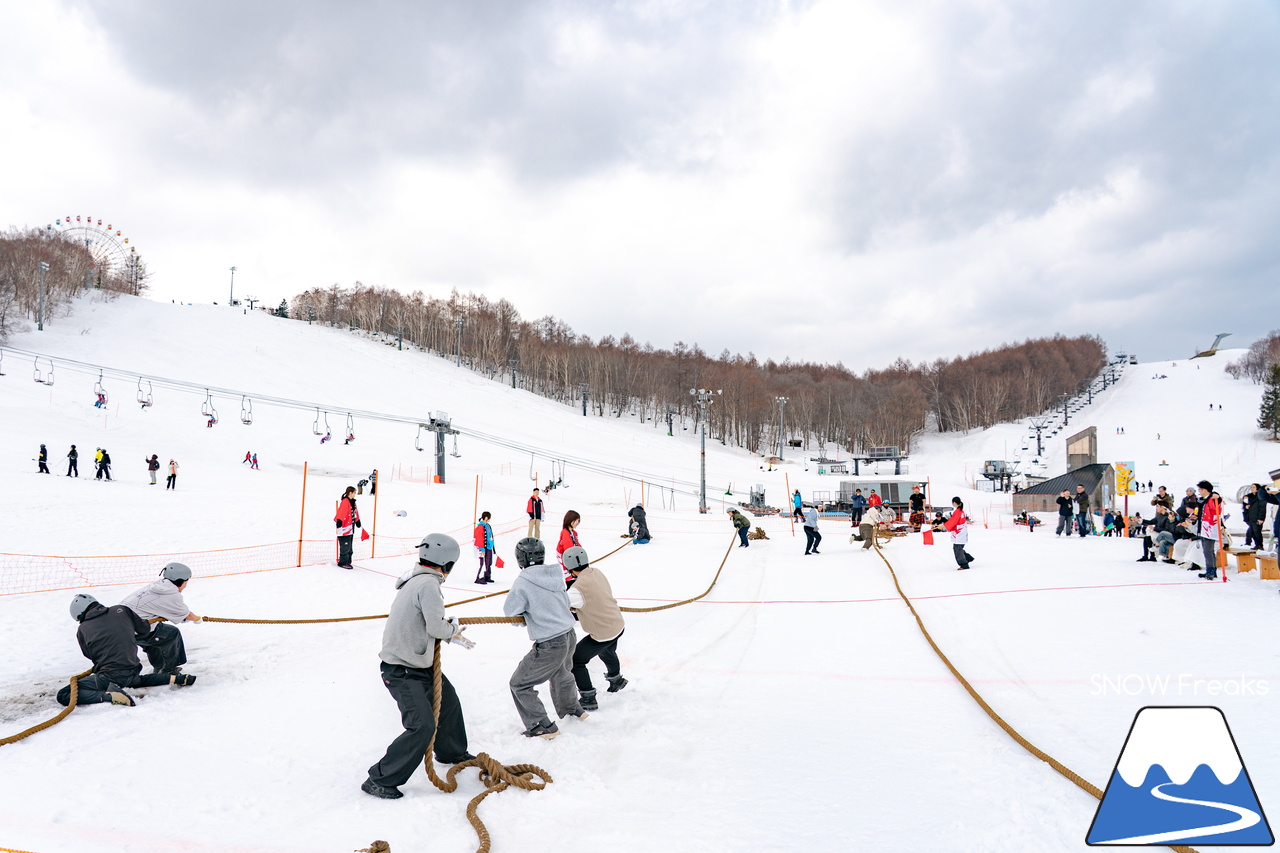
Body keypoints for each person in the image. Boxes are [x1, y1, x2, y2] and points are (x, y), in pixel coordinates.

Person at [363, 533, 472, 800]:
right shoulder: (428, 585)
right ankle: (380, 779)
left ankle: (451, 752)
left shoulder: (417, 579)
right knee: (422, 725)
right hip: (402, 670)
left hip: (418, 665)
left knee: (449, 702)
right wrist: (452, 629)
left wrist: (446, 629)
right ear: (447, 563)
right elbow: (436, 626)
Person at [504, 537, 587, 739]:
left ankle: (541, 725)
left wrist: (527, 615)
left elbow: (511, 613)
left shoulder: (523, 581)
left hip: (551, 642)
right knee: (561, 672)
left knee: (519, 683)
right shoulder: (555, 573)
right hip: (569, 635)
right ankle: (571, 709)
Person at [58, 593, 196, 708]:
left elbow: (89, 655)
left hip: (110, 675)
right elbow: (144, 630)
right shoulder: (121, 610)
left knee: (64, 694)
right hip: (133, 669)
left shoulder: (82, 629)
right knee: (137, 680)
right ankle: (178, 678)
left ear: (80, 615)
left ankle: (109, 696)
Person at [564, 546, 627, 711]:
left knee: (576, 660)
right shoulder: (597, 572)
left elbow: (561, 605)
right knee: (607, 650)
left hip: (603, 631)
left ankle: (588, 696)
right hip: (617, 624)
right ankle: (616, 679)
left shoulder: (576, 591)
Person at [119, 562, 203, 674]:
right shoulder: (171, 594)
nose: (186, 585)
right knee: (171, 633)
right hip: (133, 629)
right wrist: (197, 619)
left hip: (121, 625)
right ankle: (169, 670)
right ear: (181, 580)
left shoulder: (158, 586)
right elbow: (186, 614)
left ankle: (159, 666)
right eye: (187, 581)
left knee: (158, 632)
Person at [1183, 481, 1221, 580]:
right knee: (1207, 551)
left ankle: (1211, 572)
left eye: (1200, 489)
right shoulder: (1204, 500)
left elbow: (1216, 506)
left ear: (1204, 490)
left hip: (1209, 528)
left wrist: (1216, 496)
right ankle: (1211, 570)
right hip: (1204, 527)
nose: (1199, 492)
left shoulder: (1211, 499)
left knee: (1208, 551)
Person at [938, 498, 973, 570]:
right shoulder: (961, 511)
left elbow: (953, 521)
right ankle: (967, 558)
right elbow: (952, 520)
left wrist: (944, 525)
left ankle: (964, 564)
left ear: (954, 503)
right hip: (961, 531)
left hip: (959, 532)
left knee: (957, 548)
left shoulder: (958, 512)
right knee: (959, 547)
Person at [334, 486, 361, 570]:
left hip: (351, 526)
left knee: (350, 544)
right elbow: (342, 512)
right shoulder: (345, 501)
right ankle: (342, 562)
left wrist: (357, 520)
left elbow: (355, 512)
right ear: (350, 493)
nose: (355, 494)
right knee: (345, 544)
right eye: (354, 493)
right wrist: (339, 521)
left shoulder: (352, 502)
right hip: (345, 527)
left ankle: (348, 560)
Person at [557, 510, 582, 585]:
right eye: (577, 520)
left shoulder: (573, 533)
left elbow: (577, 545)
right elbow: (569, 549)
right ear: (571, 520)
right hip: (568, 561)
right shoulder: (565, 533)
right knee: (571, 582)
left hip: (572, 560)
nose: (578, 522)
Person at [473, 511, 495, 584]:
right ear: (486, 518)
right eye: (489, 518)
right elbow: (479, 539)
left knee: (489, 562)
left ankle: (487, 576)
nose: (489, 520)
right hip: (483, 548)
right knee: (483, 563)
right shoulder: (480, 527)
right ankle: (479, 578)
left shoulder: (487, 526)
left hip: (489, 547)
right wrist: (482, 549)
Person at [1243, 484, 1267, 550]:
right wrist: (1246, 506)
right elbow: (1245, 503)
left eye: (1254, 487)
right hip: (1251, 517)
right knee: (1252, 532)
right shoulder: (1250, 496)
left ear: (1257, 489)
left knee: (1257, 532)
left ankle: (1260, 545)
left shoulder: (1260, 497)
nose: (1252, 488)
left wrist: (1261, 518)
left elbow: (1262, 508)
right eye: (1251, 487)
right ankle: (1257, 544)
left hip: (1257, 517)